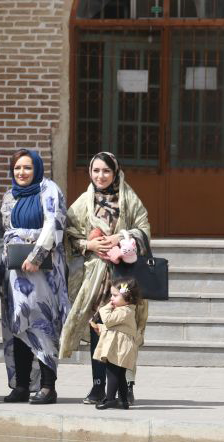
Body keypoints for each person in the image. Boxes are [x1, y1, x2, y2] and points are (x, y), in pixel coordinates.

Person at [59, 151, 150, 407]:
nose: (100, 176)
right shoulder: (84, 201)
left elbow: (144, 230)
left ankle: (125, 387)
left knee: (125, 330)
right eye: (96, 170)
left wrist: (120, 237)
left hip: (124, 277)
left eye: (106, 171)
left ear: (115, 172)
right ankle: (99, 385)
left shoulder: (129, 199)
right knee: (99, 327)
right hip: (95, 278)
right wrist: (88, 244)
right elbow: (69, 234)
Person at [0, 149, 69, 405]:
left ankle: (48, 386)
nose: (22, 172)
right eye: (17, 168)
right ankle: (22, 385)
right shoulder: (10, 195)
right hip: (15, 274)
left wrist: (36, 256)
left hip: (42, 272)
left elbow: (54, 224)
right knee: (18, 325)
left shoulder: (48, 190)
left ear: (37, 168)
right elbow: (1, 232)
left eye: (27, 167)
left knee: (42, 323)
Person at [90, 278, 141, 410]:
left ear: (127, 297)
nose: (111, 298)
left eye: (114, 295)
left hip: (119, 349)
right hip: (120, 348)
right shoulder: (124, 310)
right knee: (120, 375)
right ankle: (123, 400)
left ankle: (110, 399)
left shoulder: (125, 311)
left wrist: (106, 307)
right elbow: (115, 328)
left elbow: (108, 320)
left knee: (112, 372)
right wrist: (100, 328)